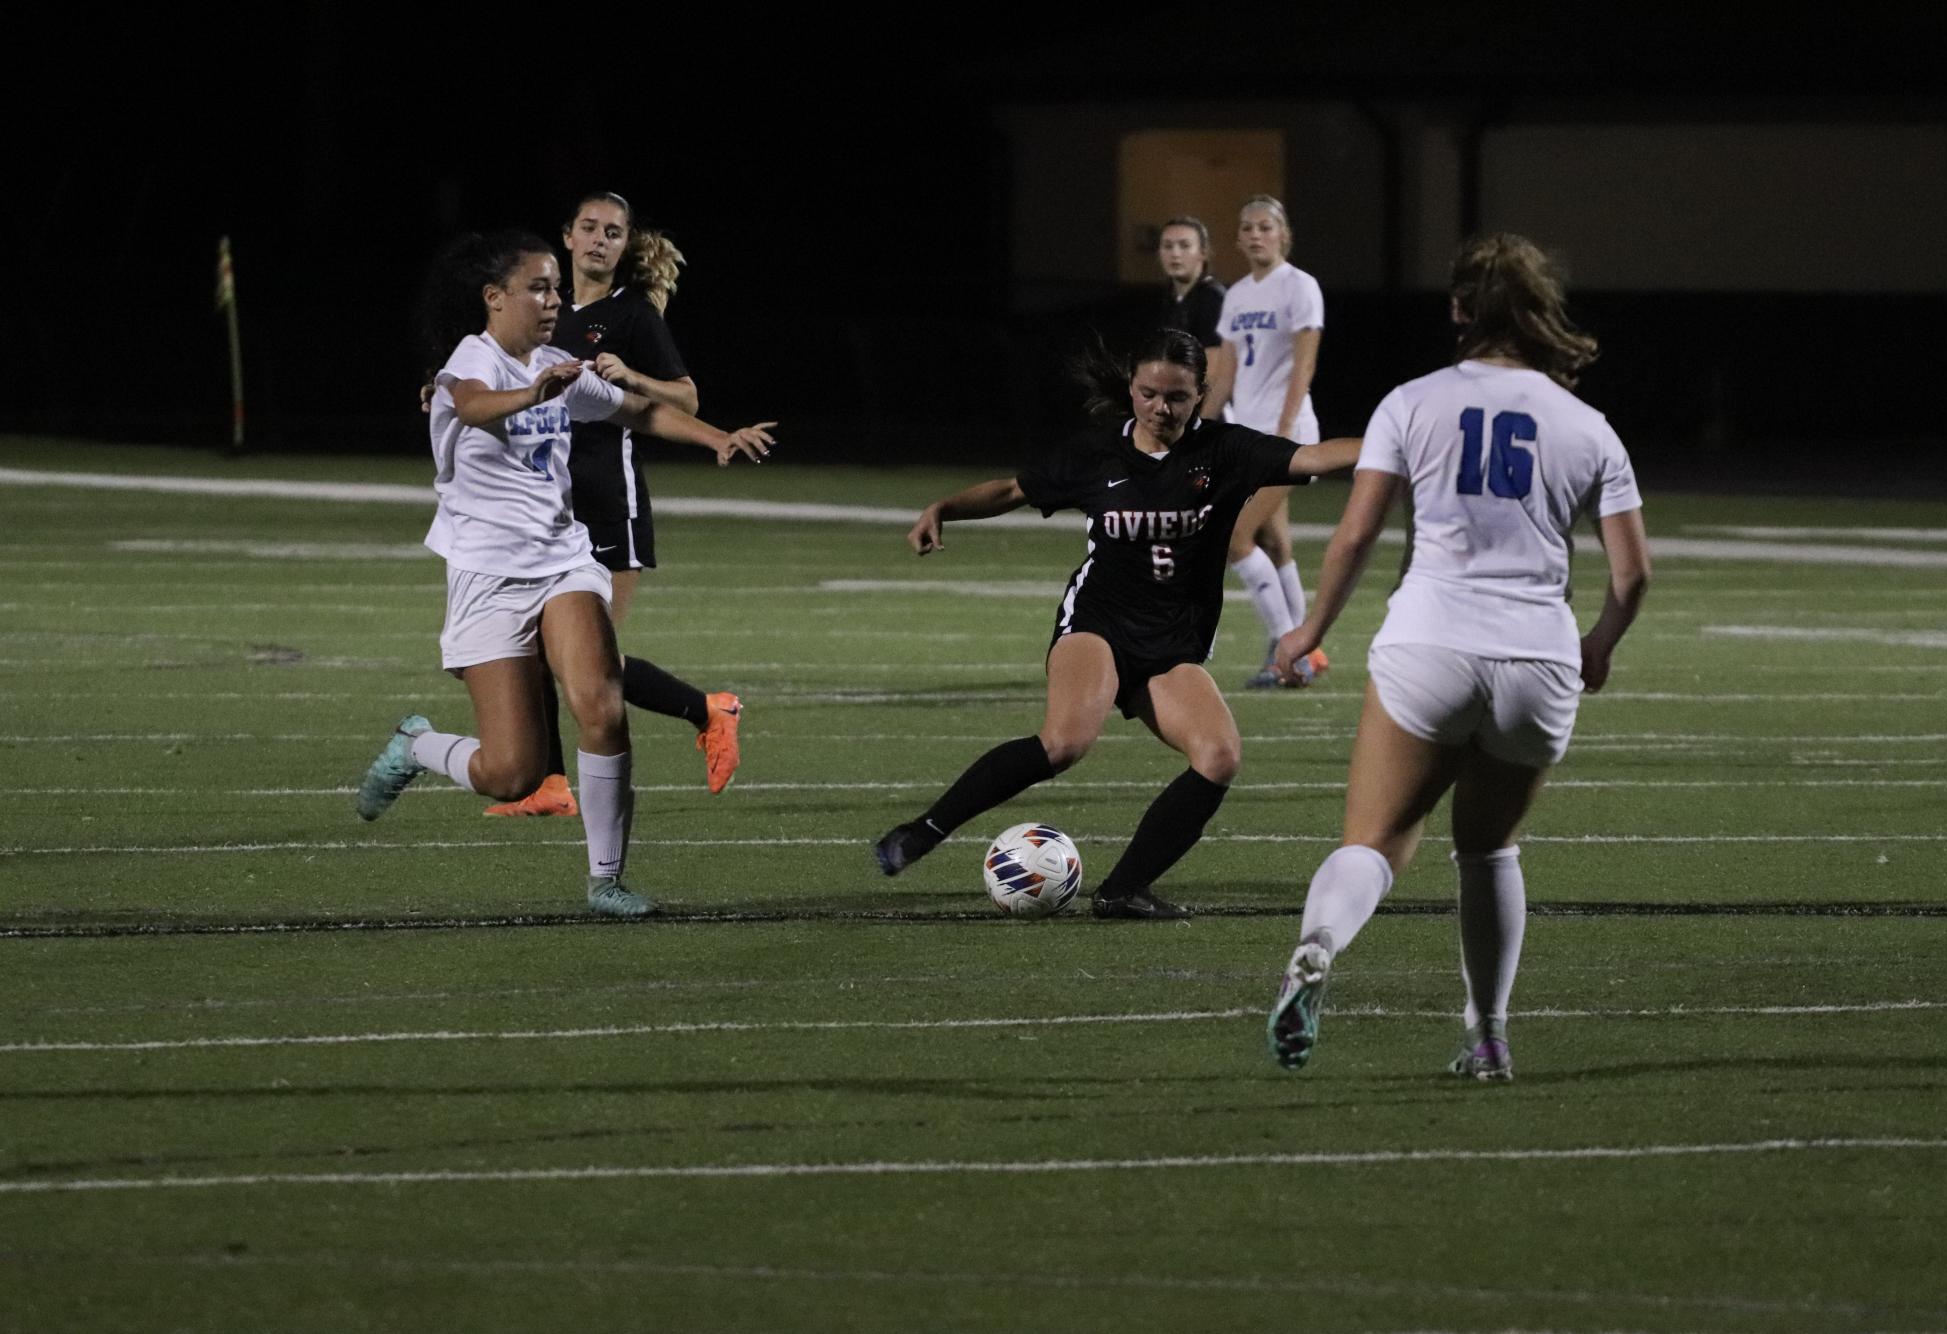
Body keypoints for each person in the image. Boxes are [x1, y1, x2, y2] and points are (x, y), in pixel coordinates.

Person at [1264, 232, 1652, 1078]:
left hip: (1430, 644)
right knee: (1486, 850)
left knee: (1372, 839)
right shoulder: (1587, 425)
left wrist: (1308, 631)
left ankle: (1318, 946)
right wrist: (1597, 645)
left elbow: (1359, 531)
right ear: (1538, 312)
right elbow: (1633, 575)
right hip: (1537, 660)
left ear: (1457, 309)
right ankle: (1486, 1037)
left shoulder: (1411, 401)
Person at [873, 329, 1360, 919]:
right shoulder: (1096, 453)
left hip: (1173, 642)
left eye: (1178, 397)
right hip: (1098, 620)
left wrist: (1398, 438)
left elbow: (1312, 456)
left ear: (1201, 395)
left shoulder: (1227, 450)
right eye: (1149, 393)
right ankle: (922, 831)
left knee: (1219, 755)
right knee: (1064, 743)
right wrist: (944, 508)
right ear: (1131, 390)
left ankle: (1122, 889)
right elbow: (1011, 489)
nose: (1162, 408)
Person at [358, 230, 775, 917]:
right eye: (538, 288)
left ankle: (605, 881)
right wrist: (535, 392)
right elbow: (469, 405)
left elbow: (639, 410)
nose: (553, 300)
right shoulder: (475, 359)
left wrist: (716, 437)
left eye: (556, 288)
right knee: (512, 772)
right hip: (486, 576)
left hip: (562, 561)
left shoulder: (555, 363)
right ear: (494, 299)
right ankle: (415, 745)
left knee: (602, 708)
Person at [482, 190, 748, 818]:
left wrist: (632, 376)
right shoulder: (543, 311)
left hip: (608, 504)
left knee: (587, 661)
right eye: (589, 228)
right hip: (545, 507)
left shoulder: (631, 315)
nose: (600, 239)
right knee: (533, 647)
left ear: (626, 246)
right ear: (567, 237)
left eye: (614, 232)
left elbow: (684, 398)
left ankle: (708, 709)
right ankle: (548, 783)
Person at [1205, 195, 1331, 688]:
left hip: (1288, 437)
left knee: (1234, 535)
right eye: (1247, 228)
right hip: (1249, 437)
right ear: (1238, 239)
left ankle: (1292, 652)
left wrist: (1284, 426)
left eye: (1265, 227)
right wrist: (1194, 431)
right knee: (1275, 543)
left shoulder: (1300, 287)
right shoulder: (1236, 296)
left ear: (1283, 235)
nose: (1256, 235)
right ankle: (1306, 650)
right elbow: (1226, 375)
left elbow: (1304, 363)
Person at [1155, 215, 1228, 387]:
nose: (1175, 253)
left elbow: (1214, 370)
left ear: (1203, 252)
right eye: (1167, 246)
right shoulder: (1170, 300)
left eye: (1185, 245)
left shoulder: (1212, 298)